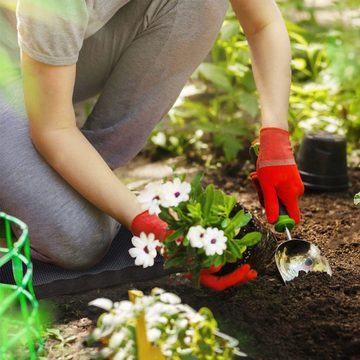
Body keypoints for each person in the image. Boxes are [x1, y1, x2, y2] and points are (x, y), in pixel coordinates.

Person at [0, 0, 304, 287]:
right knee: (81, 240)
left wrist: (275, 137)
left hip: (46, 55)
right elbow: (54, 130)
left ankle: (73, 181)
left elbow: (263, 22)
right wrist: (141, 219)